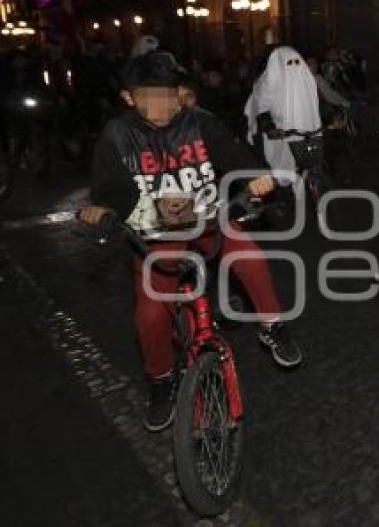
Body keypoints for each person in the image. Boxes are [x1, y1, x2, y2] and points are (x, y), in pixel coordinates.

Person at [78, 51, 302, 432]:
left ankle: (272, 326)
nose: (161, 104)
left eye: (167, 93)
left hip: (207, 219)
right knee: (151, 313)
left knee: (250, 258)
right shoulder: (116, 136)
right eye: (148, 95)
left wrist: (256, 177)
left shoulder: (200, 124)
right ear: (129, 98)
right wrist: (102, 211)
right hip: (156, 232)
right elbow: (108, 190)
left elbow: (236, 157)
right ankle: (161, 381)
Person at [244, 46, 321, 187]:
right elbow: (260, 108)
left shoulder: (305, 81)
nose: (293, 67)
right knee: (277, 173)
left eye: (297, 62)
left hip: (300, 135)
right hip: (273, 135)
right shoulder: (265, 83)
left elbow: (314, 106)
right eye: (288, 63)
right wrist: (269, 127)